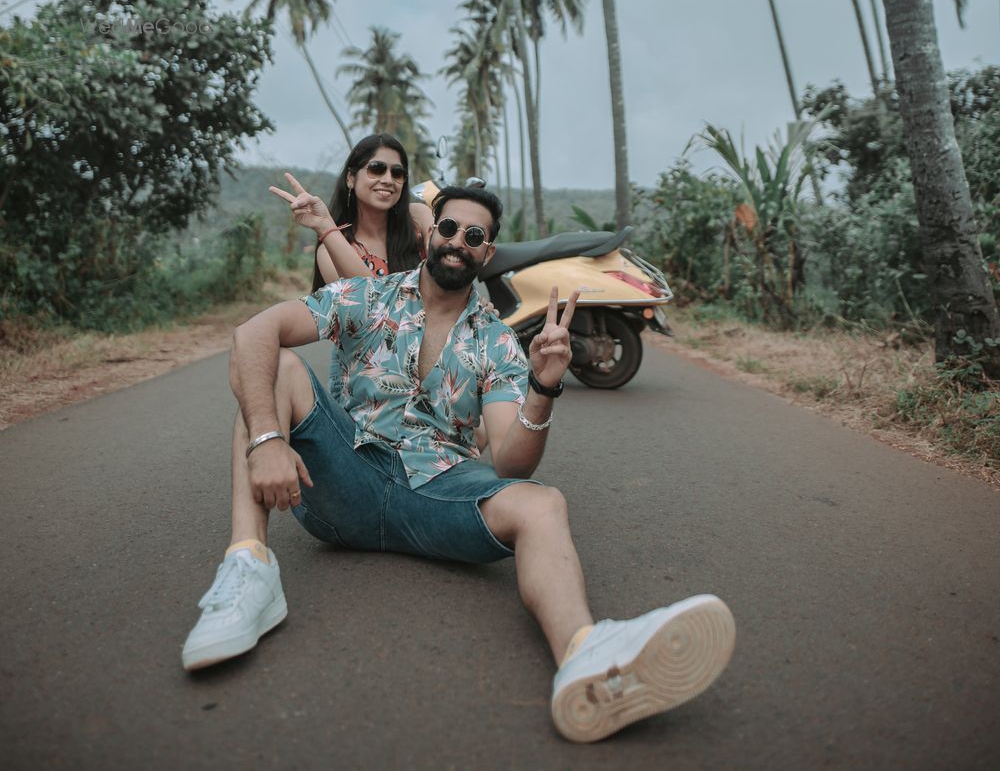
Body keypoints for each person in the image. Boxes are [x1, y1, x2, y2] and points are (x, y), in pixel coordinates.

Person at [181, 183, 735, 744]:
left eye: (475, 236)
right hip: (342, 481)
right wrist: (269, 440)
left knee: (543, 503)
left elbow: (513, 461)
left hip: (439, 493)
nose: (457, 242)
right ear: (429, 236)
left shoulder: (496, 342)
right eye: (448, 229)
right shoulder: (367, 297)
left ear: (487, 253)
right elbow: (252, 333)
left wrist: (543, 385)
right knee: (273, 365)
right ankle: (249, 568)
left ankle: (586, 656)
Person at [284, 131, 432, 291]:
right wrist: (324, 227)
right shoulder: (330, 251)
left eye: (397, 173)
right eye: (376, 169)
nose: (388, 180)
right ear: (350, 178)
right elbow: (370, 302)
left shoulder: (417, 223)